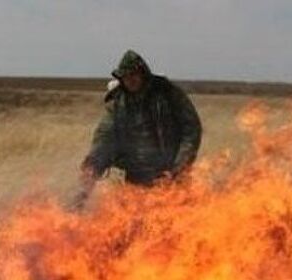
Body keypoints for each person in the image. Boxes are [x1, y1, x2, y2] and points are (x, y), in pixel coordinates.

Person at [76, 50, 202, 204]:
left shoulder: (167, 93)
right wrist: (86, 185)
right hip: (137, 177)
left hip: (170, 174)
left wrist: (179, 167)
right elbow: (104, 142)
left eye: (134, 74)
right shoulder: (118, 105)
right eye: (126, 77)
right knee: (136, 220)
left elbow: (191, 129)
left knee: (174, 219)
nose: (130, 80)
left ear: (143, 73)